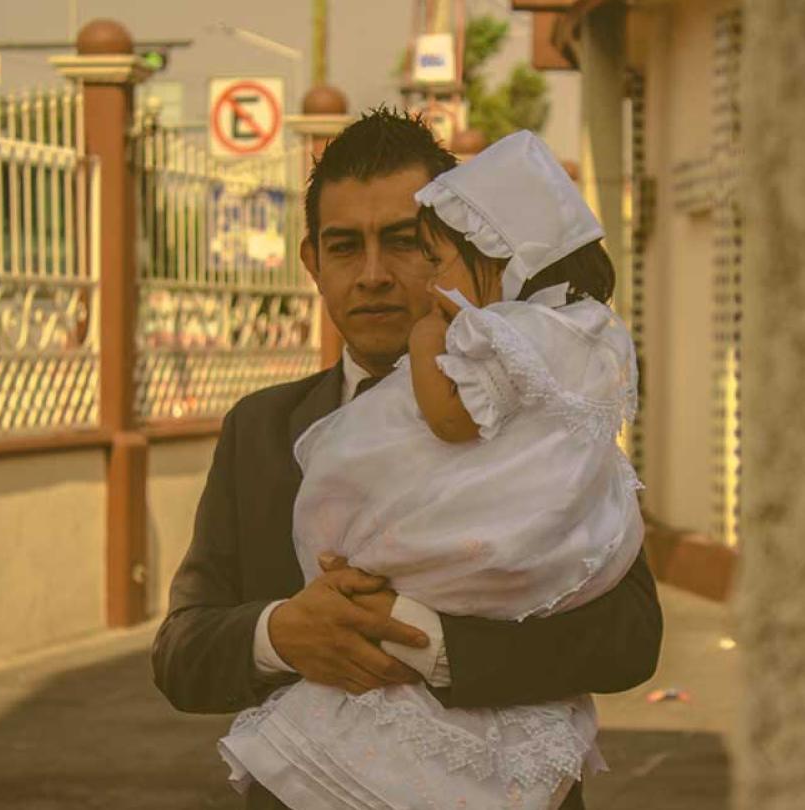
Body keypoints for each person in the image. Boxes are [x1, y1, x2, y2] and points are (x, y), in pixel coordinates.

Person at [151, 109, 663, 810]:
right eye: (343, 248)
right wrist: (281, 634)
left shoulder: (535, 407)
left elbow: (629, 637)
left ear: (460, 247)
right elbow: (183, 651)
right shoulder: (263, 430)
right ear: (312, 264)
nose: (372, 276)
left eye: (403, 243)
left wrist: (424, 639)